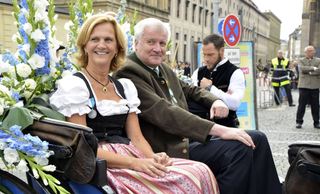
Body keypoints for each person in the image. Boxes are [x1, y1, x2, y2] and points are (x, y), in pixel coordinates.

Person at [49, 14, 219, 193]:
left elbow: (136, 138)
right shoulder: (76, 86)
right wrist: (135, 163)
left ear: (117, 47)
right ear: (85, 46)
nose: (101, 45)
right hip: (103, 165)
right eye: (94, 39)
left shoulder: (123, 87)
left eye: (108, 40)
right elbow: (83, 148)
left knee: (201, 170)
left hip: (132, 155)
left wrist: (152, 157)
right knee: (183, 182)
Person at [114, 17, 282, 194]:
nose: (158, 48)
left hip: (187, 139)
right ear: (136, 42)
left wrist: (215, 100)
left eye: (162, 43)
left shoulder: (161, 68)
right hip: (168, 148)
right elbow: (165, 112)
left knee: (258, 139)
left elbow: (190, 90)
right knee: (239, 149)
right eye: (151, 42)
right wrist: (220, 129)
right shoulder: (129, 71)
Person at [191, 34, 244, 127]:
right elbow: (190, 97)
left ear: (222, 51)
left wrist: (210, 88)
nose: (206, 59)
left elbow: (234, 103)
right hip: (202, 130)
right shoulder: (198, 72)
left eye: (210, 55)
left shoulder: (235, 72)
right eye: (204, 54)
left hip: (227, 130)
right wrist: (224, 97)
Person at [296, 45, 320, 129]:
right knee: (301, 105)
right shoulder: (301, 60)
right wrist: (313, 68)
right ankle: (299, 122)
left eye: (313, 50)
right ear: (305, 52)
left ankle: (316, 122)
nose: (312, 52)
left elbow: (319, 70)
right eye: (310, 51)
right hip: (303, 86)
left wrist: (310, 72)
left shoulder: (318, 60)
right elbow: (302, 69)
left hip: (315, 86)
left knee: (316, 106)